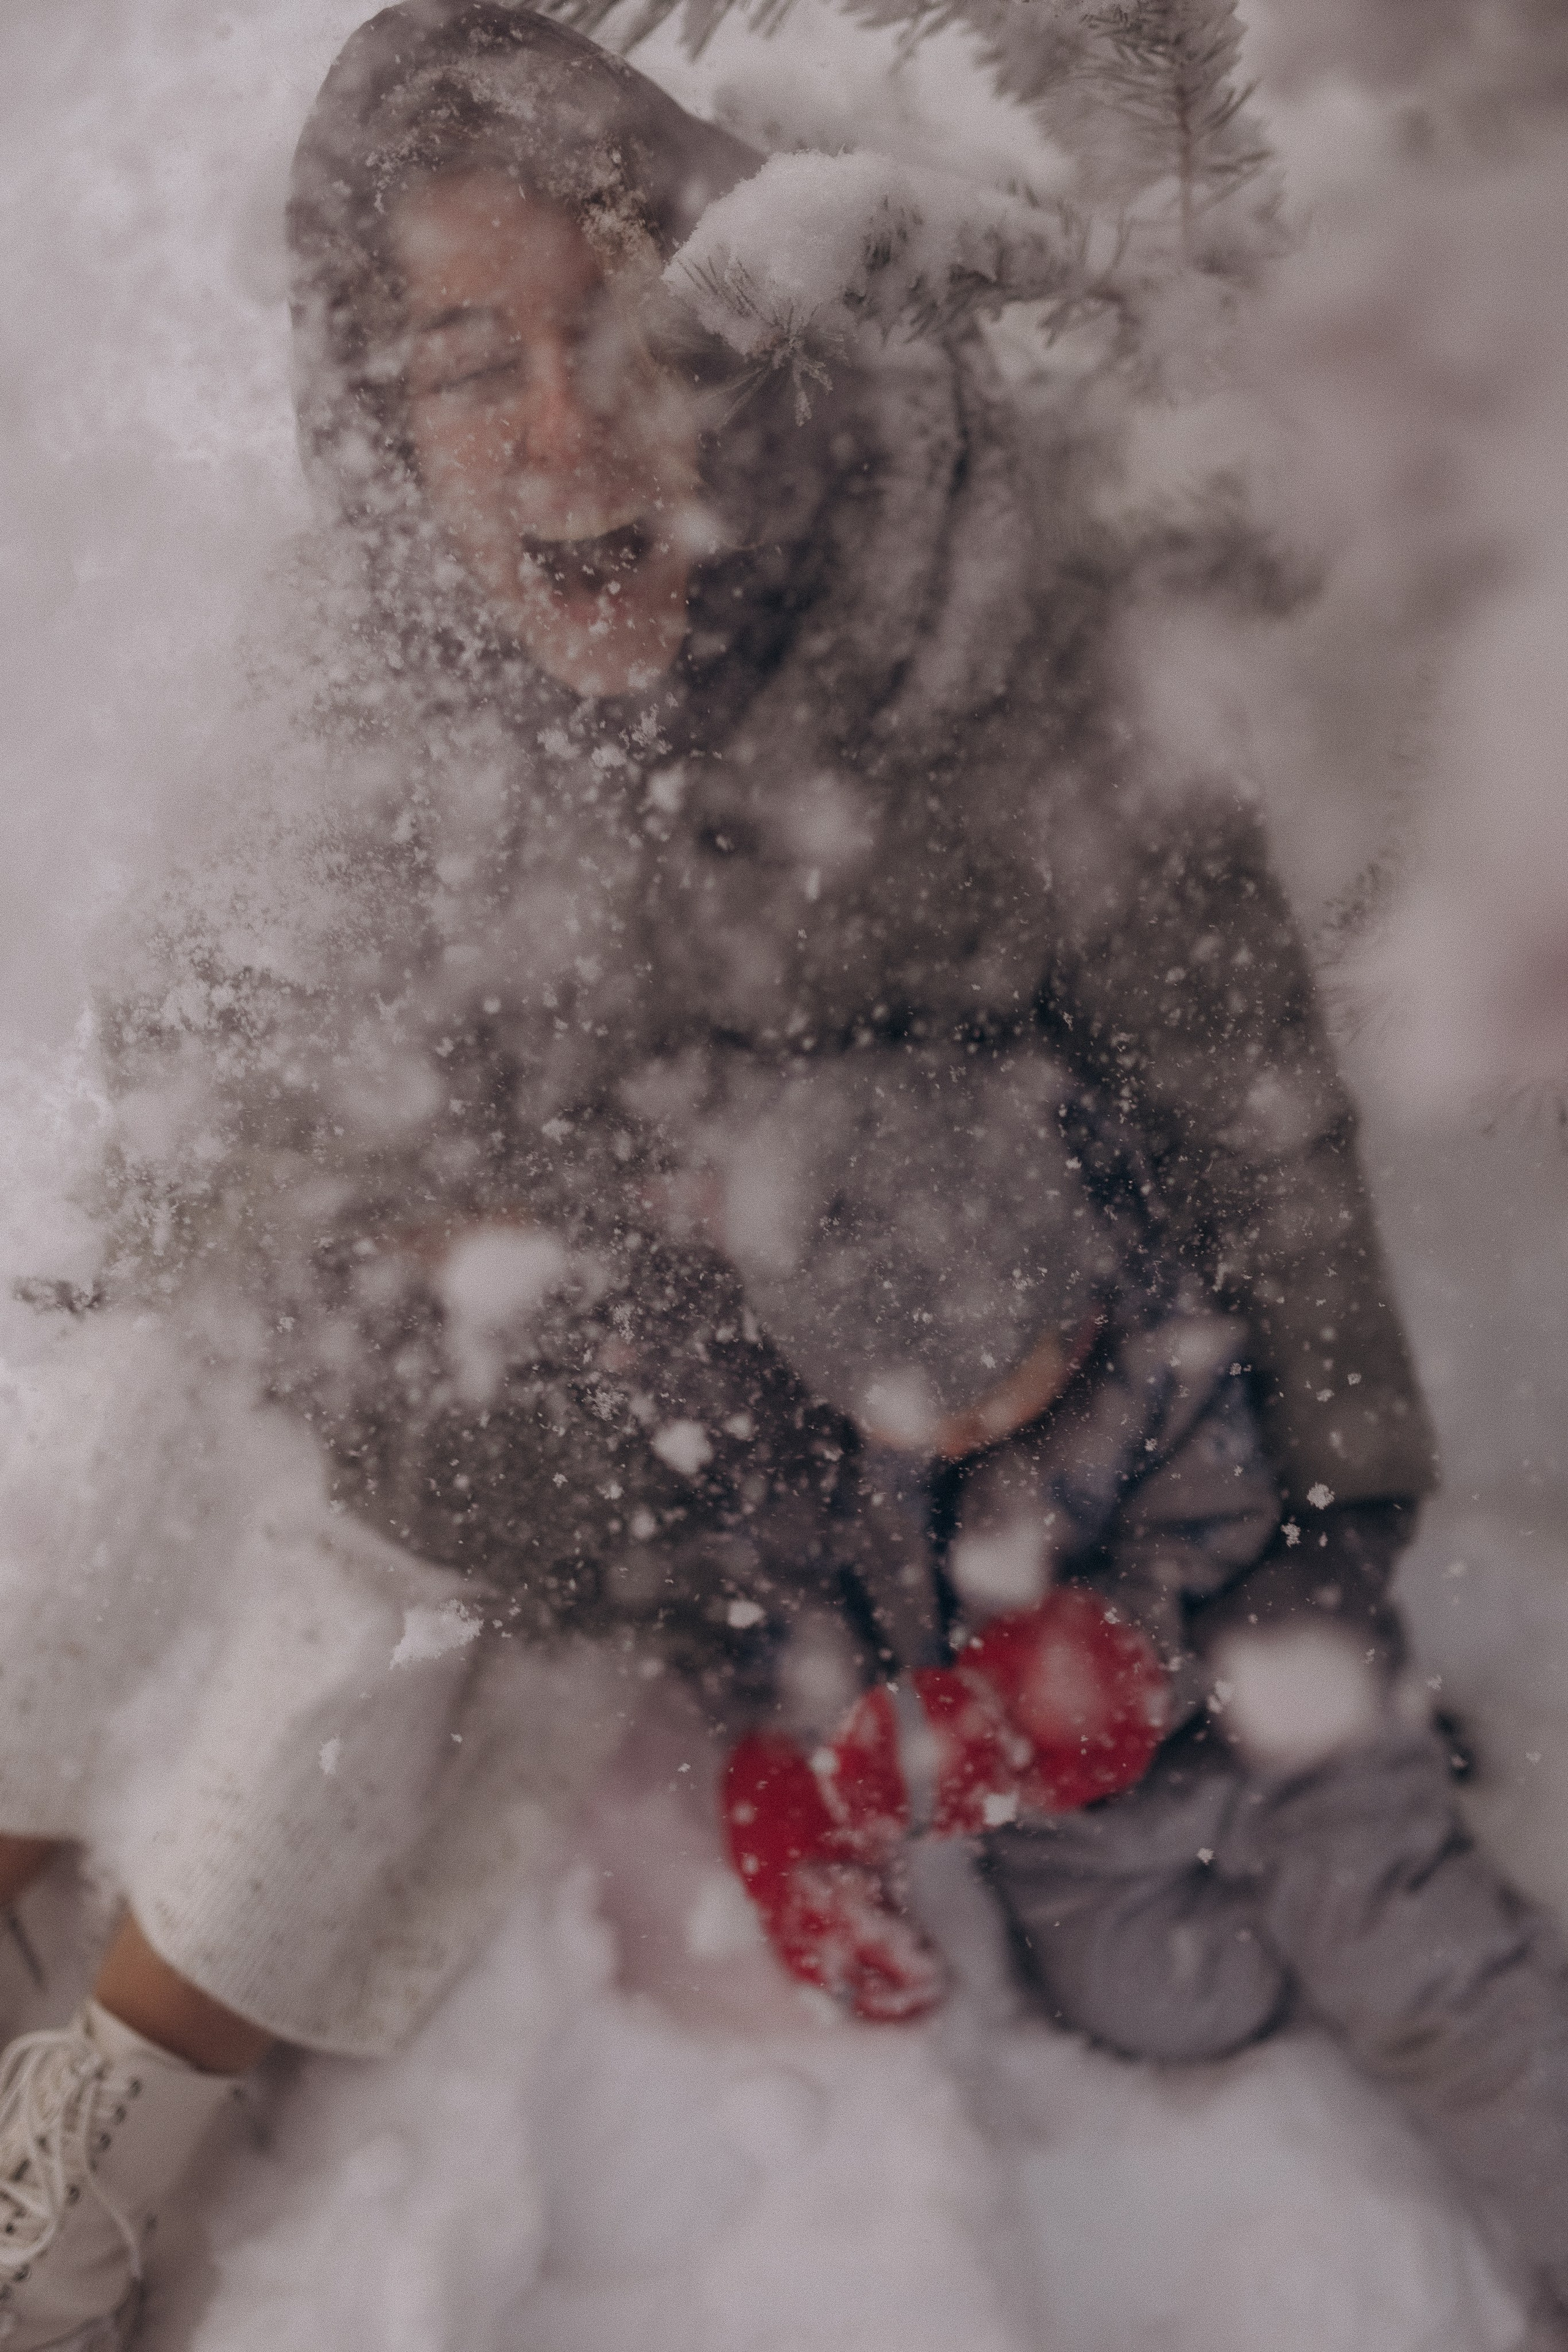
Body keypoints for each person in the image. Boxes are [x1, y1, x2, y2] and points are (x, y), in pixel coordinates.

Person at [0, 4, 1566, 2345]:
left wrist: (1332, 1525)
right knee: (129, 1426)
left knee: (407, 1556)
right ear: (375, 416)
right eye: (464, 367)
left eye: (624, 330)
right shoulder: (396, 639)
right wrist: (289, 1217)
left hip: (863, 1374)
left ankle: (119, 2114)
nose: (564, 427)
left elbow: (1252, 1093)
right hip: (564, 1318)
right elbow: (205, 1031)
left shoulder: (962, 615)